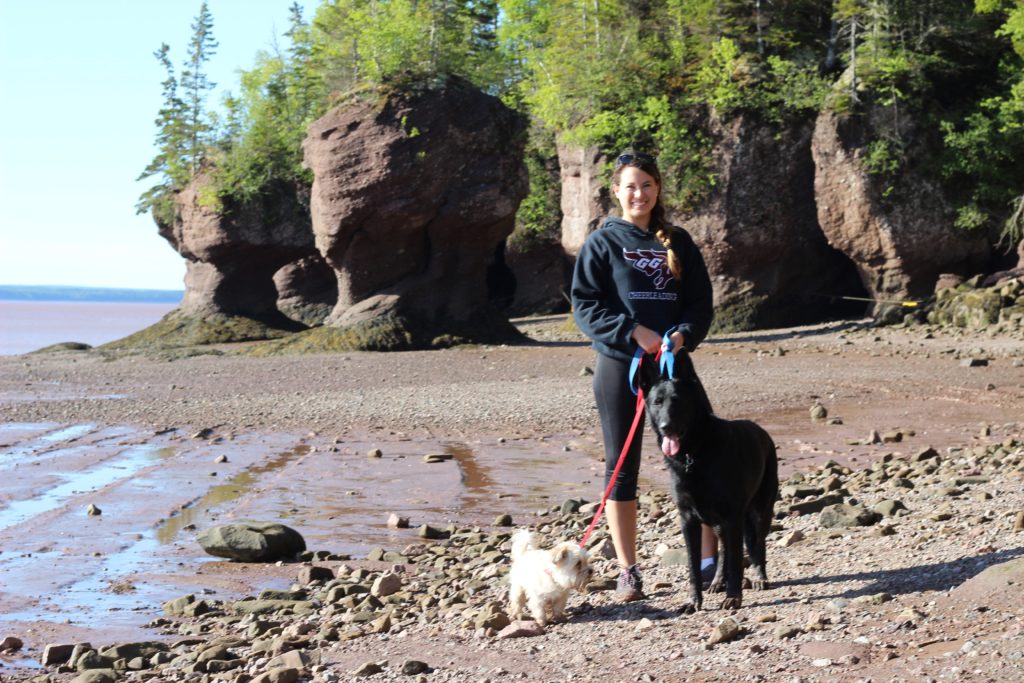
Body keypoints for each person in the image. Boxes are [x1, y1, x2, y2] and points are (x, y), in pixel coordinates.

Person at [570, 151, 716, 602]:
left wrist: (682, 336)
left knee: (700, 454)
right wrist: (632, 330)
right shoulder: (602, 242)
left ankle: (710, 557)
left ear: (658, 189)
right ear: (616, 191)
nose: (639, 193)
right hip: (620, 364)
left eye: (647, 184)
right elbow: (586, 305)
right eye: (630, 186)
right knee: (621, 467)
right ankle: (629, 570)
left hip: (672, 366)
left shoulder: (680, 242)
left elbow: (699, 304)